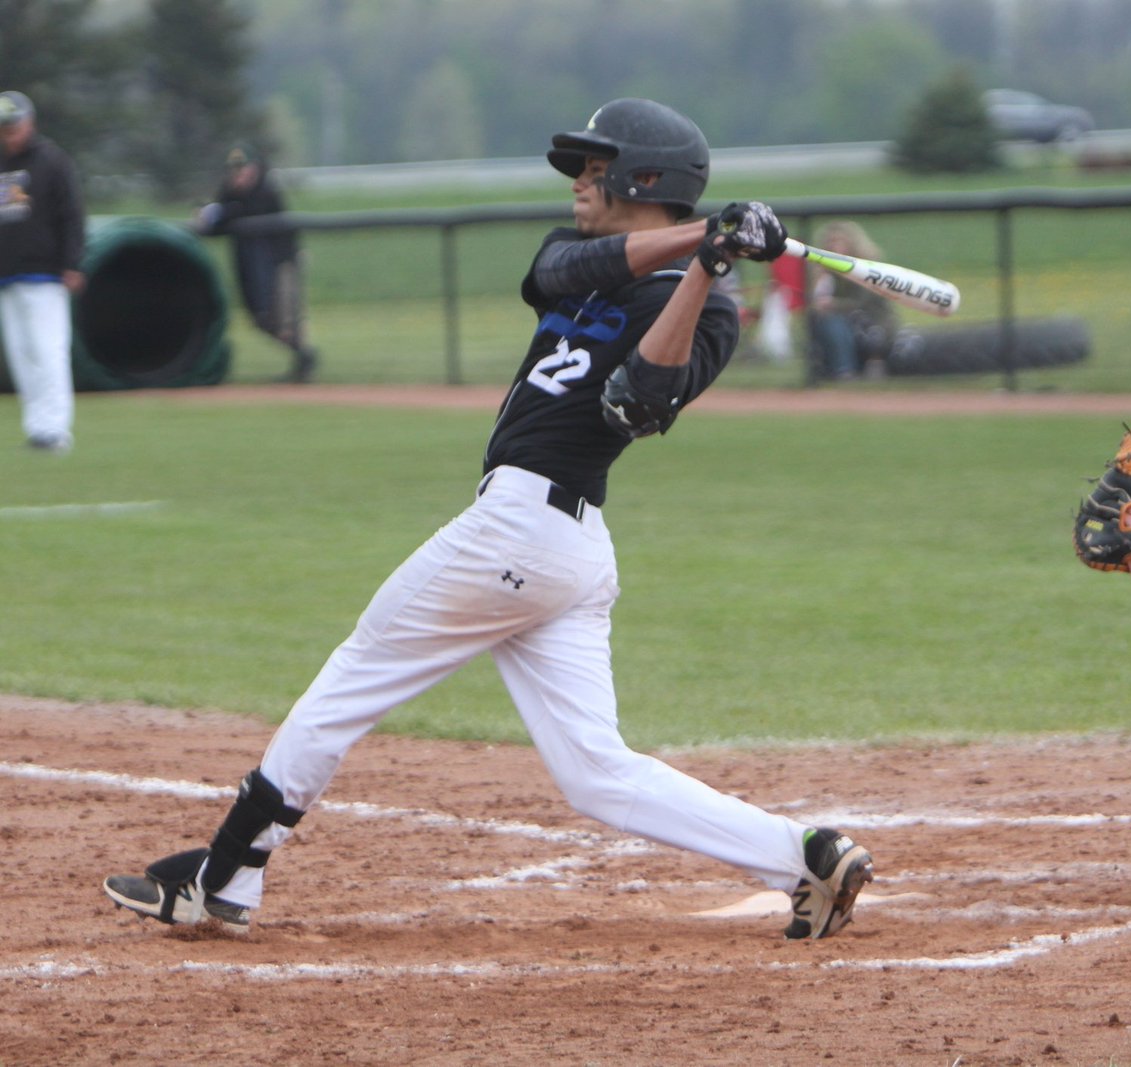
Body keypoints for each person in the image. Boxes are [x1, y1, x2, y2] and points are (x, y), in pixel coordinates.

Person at [103, 99, 874, 942]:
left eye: (596, 165)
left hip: (530, 530)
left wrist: (707, 270)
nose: (580, 179)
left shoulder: (712, 310)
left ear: (646, 179)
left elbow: (638, 406)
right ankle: (805, 852)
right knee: (596, 776)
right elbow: (565, 274)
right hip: (550, 548)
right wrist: (704, 240)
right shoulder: (570, 255)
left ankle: (227, 876)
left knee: (353, 675)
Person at [0, 90, 85, 453]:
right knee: (20, 354)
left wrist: (72, 263)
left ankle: (55, 430)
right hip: (7, 274)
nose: (9, 134)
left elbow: (72, 215)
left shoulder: (51, 161)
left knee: (48, 351)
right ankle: (37, 428)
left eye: (14, 126)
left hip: (44, 274)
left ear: (29, 123)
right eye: (4, 128)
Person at [195, 142, 318, 384]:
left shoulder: (266, 191)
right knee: (260, 319)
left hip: (281, 262)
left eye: (243, 169)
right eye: (234, 169)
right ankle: (302, 356)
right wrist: (205, 213)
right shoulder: (230, 192)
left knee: (284, 318)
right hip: (250, 266)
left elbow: (242, 211)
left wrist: (224, 210)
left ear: (255, 169)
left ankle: (304, 359)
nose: (238, 175)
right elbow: (216, 221)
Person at [805, 219, 896, 382]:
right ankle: (841, 370)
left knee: (834, 319)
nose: (834, 247)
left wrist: (833, 304)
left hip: (872, 322)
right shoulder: (826, 272)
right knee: (828, 319)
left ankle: (850, 369)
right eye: (830, 243)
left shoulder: (867, 268)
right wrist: (820, 279)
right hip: (844, 324)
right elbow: (815, 301)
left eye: (838, 242)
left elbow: (861, 303)